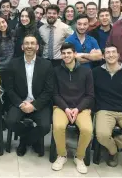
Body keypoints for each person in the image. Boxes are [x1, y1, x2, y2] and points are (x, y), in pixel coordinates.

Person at [5, 35, 53, 157]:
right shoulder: (13, 64)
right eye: (26, 43)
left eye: (32, 43)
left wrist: (34, 105)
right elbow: (9, 89)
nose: (29, 46)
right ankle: (33, 139)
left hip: (39, 103)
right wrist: (21, 104)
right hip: (20, 102)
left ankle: (25, 141)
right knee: (10, 121)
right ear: (22, 47)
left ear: (37, 47)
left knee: (45, 126)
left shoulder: (46, 65)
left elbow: (48, 90)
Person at [52, 43, 94, 174]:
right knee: (58, 127)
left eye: (69, 53)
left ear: (75, 54)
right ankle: (61, 155)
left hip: (81, 108)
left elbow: (90, 95)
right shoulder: (56, 71)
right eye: (64, 53)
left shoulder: (86, 71)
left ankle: (79, 157)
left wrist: (77, 109)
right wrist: (65, 108)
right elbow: (55, 94)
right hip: (61, 107)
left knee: (87, 129)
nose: (66, 56)